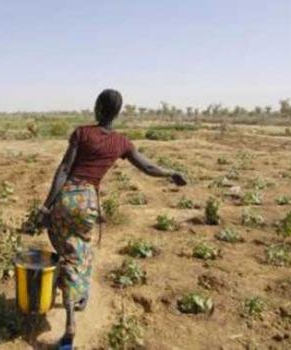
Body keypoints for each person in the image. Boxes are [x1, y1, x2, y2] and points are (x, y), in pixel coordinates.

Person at [39, 89, 186, 348]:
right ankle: (79, 295)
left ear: (97, 107)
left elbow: (63, 170)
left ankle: (71, 316)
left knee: (67, 250)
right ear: (117, 113)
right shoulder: (122, 142)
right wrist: (170, 172)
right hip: (88, 202)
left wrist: (46, 207)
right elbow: (148, 167)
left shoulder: (82, 133)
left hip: (66, 197)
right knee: (79, 251)